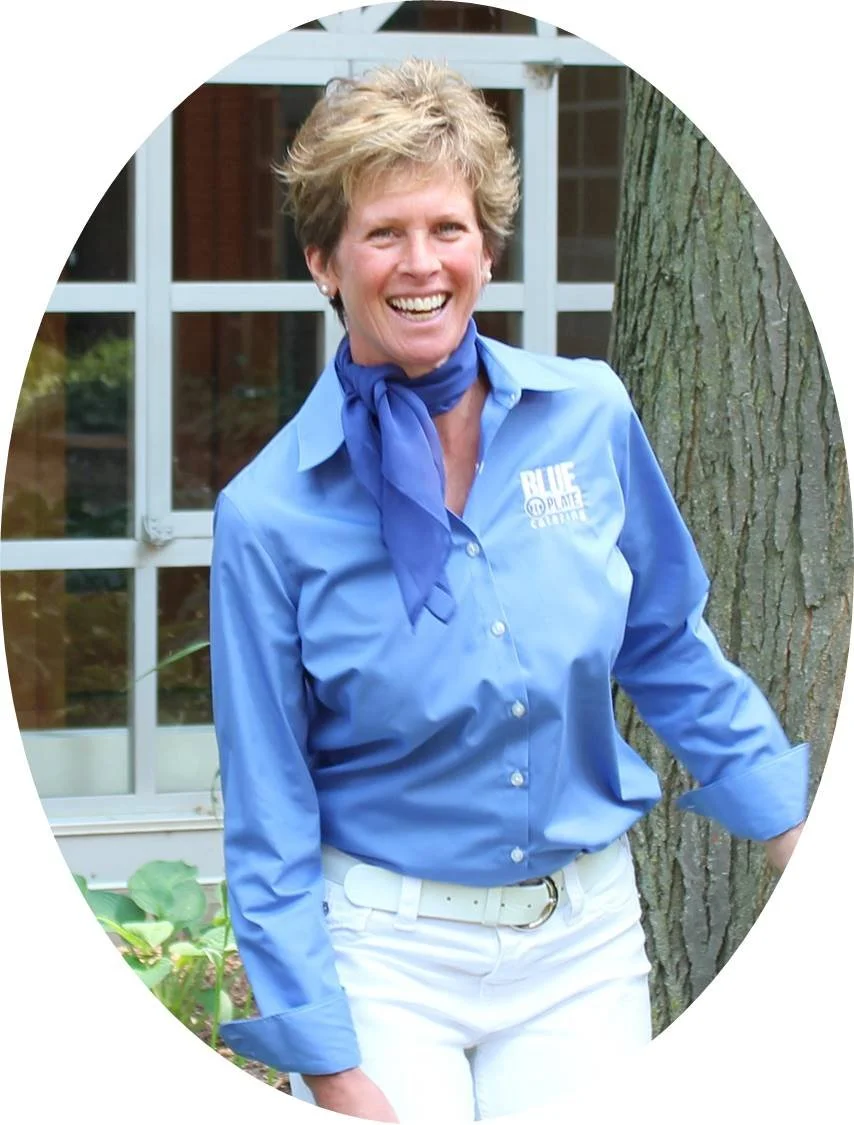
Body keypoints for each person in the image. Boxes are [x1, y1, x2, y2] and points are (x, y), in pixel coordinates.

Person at [209, 58, 807, 1122]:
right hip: (382, 951)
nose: (419, 263)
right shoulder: (269, 516)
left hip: (580, 944)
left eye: (447, 228)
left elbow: (663, 641)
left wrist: (791, 833)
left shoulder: (588, 417)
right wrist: (325, 1057)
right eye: (382, 233)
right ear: (322, 262)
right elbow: (268, 805)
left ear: (486, 247)